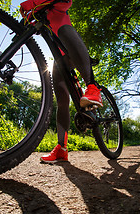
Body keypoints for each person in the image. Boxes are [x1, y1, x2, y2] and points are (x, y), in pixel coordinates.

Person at [20, 0, 102, 163]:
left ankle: (93, 88)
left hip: (72, 51)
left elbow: (67, 2)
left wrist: (31, 3)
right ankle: (61, 149)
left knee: (64, 30)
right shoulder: (40, 14)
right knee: (62, 102)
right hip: (59, 59)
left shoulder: (54, 6)